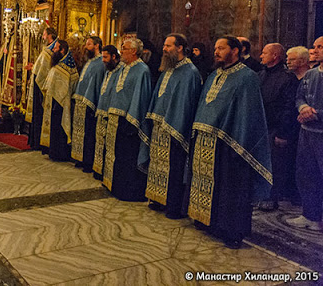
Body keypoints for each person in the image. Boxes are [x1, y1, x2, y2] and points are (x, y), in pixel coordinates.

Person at [188, 36, 271, 249]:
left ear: (235, 51)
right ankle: (208, 221)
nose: (216, 52)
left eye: (221, 48)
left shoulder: (247, 77)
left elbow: (248, 112)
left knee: (231, 189)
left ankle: (232, 231)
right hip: (206, 140)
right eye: (215, 48)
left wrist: (239, 140)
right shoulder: (214, 75)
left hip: (231, 142)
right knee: (208, 184)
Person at [140, 34, 202, 219]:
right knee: (158, 165)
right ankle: (158, 199)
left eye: (168, 46)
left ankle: (173, 205)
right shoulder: (168, 68)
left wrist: (176, 124)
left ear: (180, 48)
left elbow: (185, 103)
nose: (164, 49)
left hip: (175, 128)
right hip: (160, 126)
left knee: (174, 169)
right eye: (165, 45)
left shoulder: (190, 72)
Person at [99, 38, 152, 201]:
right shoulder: (124, 68)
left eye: (125, 49)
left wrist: (132, 119)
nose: (121, 52)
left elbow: (140, 96)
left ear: (134, 51)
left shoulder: (142, 70)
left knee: (129, 157)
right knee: (118, 156)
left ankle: (129, 191)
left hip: (130, 120)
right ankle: (117, 187)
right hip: (116, 119)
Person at [286, 36, 323, 231]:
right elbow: (299, 96)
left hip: (321, 131)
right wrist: (303, 108)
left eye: (320, 47)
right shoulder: (310, 75)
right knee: (307, 173)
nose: (315, 50)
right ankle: (310, 215)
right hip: (307, 132)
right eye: (315, 47)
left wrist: (315, 113)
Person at [257, 43, 299, 211]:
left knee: (274, 165)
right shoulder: (259, 75)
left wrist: (283, 133)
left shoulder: (287, 78)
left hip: (275, 127)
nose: (261, 56)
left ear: (275, 56)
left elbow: (288, 107)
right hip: (260, 126)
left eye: (264, 53)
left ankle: (271, 197)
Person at [40, 39, 79, 161]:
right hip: (53, 103)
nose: (53, 50)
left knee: (59, 129)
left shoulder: (65, 69)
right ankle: (53, 151)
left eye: (56, 48)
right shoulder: (57, 66)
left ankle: (60, 154)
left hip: (61, 105)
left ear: (62, 50)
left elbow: (71, 86)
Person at [71, 36, 105, 172]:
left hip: (90, 103)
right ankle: (79, 158)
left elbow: (97, 84)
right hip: (81, 101)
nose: (86, 47)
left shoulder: (100, 62)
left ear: (97, 46)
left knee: (88, 133)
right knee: (80, 132)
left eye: (89, 44)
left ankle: (87, 161)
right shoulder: (90, 61)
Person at [93, 45, 122, 179]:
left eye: (105, 57)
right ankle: (98, 171)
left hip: (110, 114)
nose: (103, 60)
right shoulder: (108, 70)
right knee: (99, 144)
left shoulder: (121, 71)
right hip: (101, 111)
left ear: (114, 57)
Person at [25, 27, 57, 150]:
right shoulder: (47, 49)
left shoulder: (51, 50)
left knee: (40, 114)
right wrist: (34, 67)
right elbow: (41, 68)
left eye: (44, 35)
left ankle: (39, 142)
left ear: (49, 36)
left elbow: (44, 70)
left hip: (43, 86)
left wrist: (34, 69)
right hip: (39, 84)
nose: (43, 37)